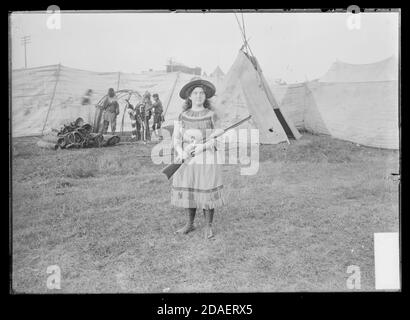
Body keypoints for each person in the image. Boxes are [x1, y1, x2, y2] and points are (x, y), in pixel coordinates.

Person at [171, 78, 225, 239]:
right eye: (195, 93)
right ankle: (190, 224)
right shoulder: (183, 115)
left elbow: (219, 138)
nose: (199, 95)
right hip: (188, 159)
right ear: (189, 97)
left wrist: (204, 146)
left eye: (202, 93)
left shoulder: (212, 115)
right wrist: (181, 151)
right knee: (191, 190)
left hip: (207, 159)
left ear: (206, 96)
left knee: (207, 188)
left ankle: (208, 226)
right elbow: (176, 138)